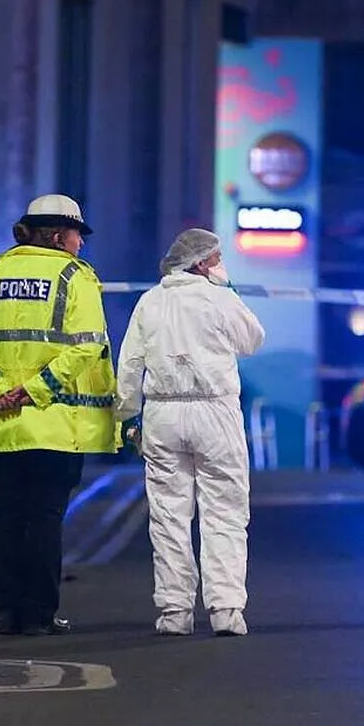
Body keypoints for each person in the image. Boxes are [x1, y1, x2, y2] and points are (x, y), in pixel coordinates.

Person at [0, 194, 119, 636]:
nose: (80, 245)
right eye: (76, 235)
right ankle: (38, 616)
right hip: (54, 425)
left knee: (7, 517)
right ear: (57, 235)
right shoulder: (75, 276)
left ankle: (5, 611)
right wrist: (35, 391)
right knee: (46, 519)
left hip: (3, 426)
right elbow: (87, 345)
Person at [116, 228, 265, 637]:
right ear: (200, 264)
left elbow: (129, 363)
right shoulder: (218, 298)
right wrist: (230, 290)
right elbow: (253, 340)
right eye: (216, 257)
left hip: (163, 412)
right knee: (225, 511)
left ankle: (174, 612)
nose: (221, 264)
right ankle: (225, 610)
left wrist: (129, 416)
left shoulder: (150, 301)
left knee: (167, 516)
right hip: (214, 410)